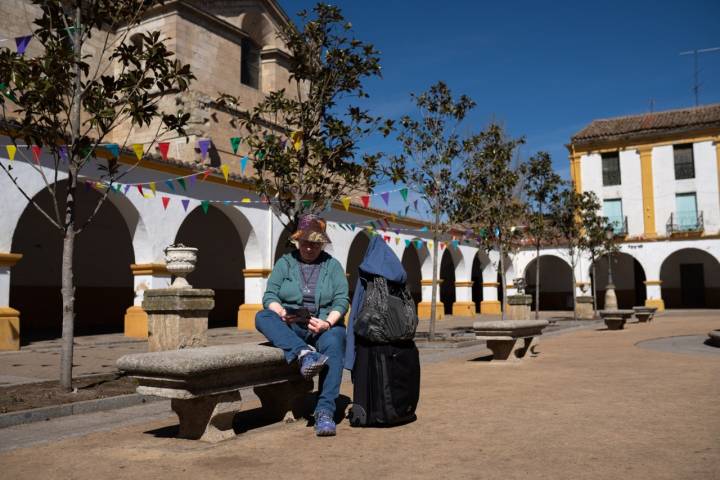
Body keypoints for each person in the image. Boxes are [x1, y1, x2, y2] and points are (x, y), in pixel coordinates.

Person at [255, 214, 349, 437]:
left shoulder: (332, 266)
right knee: (263, 316)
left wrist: (327, 322)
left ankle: (325, 411)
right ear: (298, 241)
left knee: (335, 342)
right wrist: (282, 312)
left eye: (315, 243)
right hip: (292, 325)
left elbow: (342, 300)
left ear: (322, 244)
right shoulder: (285, 263)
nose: (310, 248)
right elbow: (270, 296)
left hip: (322, 325)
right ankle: (304, 353)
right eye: (306, 242)